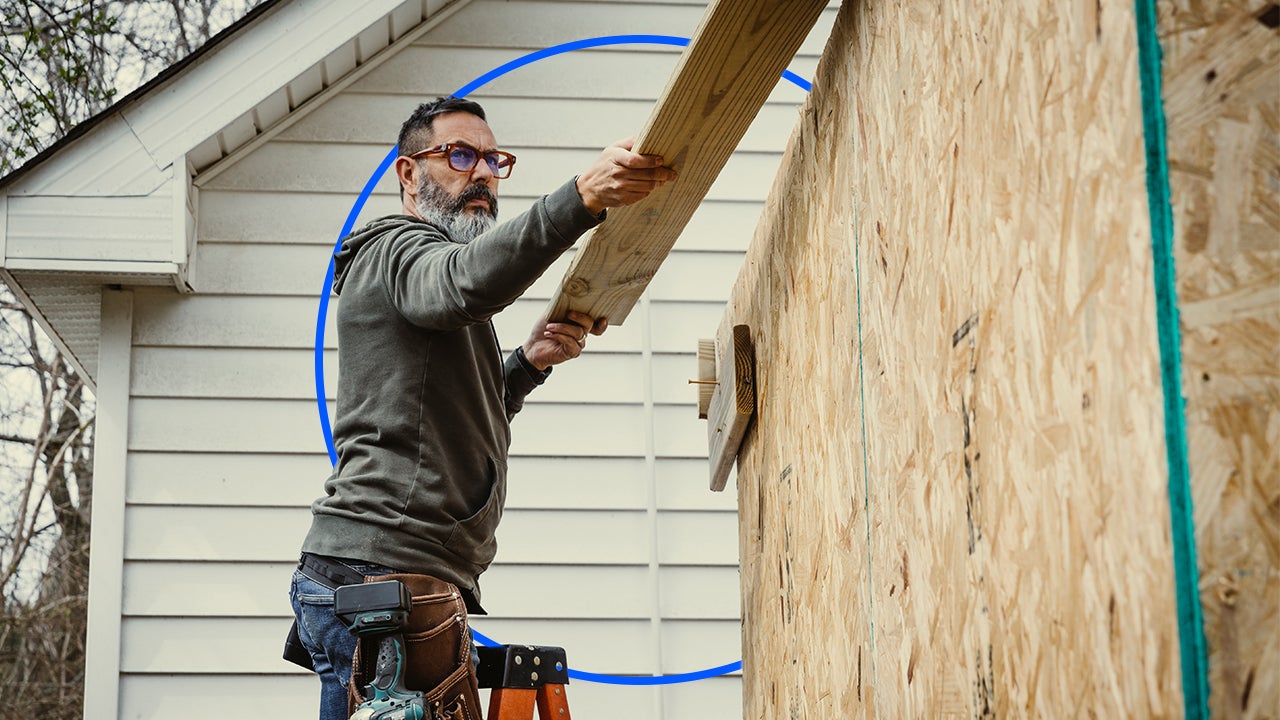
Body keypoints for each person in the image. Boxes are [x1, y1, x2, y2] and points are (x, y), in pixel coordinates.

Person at [284, 96, 676, 720]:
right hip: (379, 573)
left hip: (394, 574)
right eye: (460, 155)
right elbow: (466, 281)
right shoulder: (397, 251)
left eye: (494, 160)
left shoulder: (432, 280)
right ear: (409, 175)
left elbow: (464, 410)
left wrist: (527, 363)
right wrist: (581, 197)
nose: (485, 174)